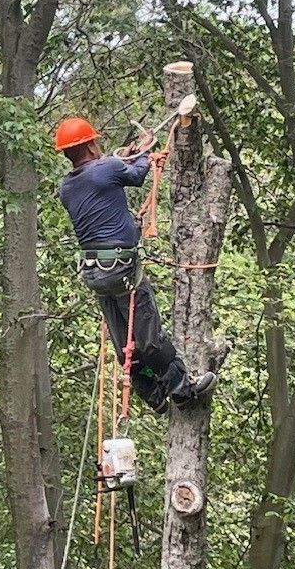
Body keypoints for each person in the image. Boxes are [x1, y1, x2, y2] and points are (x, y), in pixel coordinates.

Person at [55, 117, 217, 414]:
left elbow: (103, 177)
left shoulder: (66, 187)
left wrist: (127, 154)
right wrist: (145, 150)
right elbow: (138, 174)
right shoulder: (107, 168)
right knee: (148, 338)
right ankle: (182, 388)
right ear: (91, 145)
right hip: (121, 270)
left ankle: (152, 393)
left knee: (125, 343)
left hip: (95, 273)